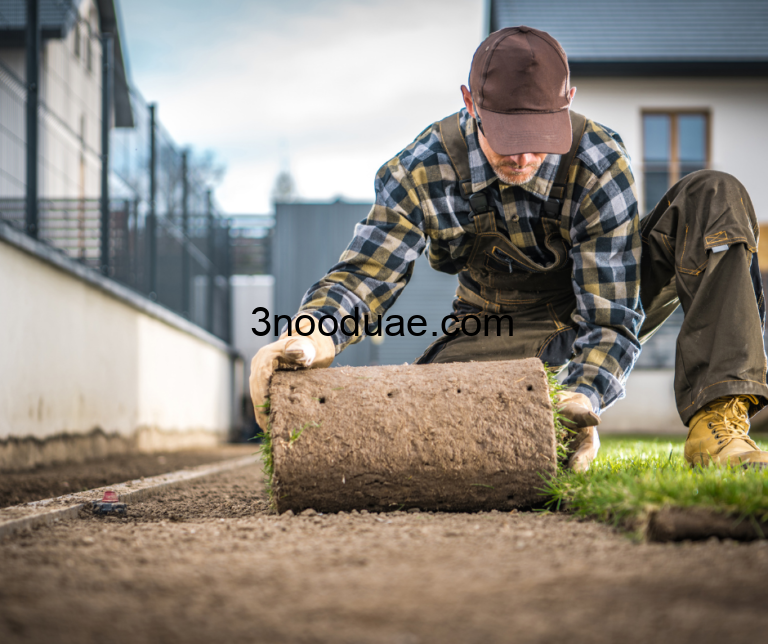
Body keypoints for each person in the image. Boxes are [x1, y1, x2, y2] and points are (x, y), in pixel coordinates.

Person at [251, 26, 768, 471]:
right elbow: (367, 273)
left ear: (567, 101)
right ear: (470, 102)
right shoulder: (421, 169)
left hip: (601, 296)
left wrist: (585, 397)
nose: (522, 155)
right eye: (506, 134)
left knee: (715, 195)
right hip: (497, 324)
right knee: (425, 428)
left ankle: (716, 426)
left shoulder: (598, 159)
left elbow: (611, 314)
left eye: (538, 134)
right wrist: (311, 333)